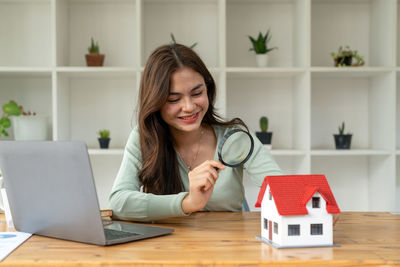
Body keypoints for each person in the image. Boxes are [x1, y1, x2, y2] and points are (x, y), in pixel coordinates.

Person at [109, 43, 283, 222]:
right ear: (155, 101)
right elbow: (119, 203)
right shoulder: (143, 138)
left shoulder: (234, 137)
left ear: (208, 89)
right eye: (174, 99)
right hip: (166, 247)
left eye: (197, 93)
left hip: (229, 245)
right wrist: (188, 202)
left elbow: (284, 191)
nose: (189, 107)